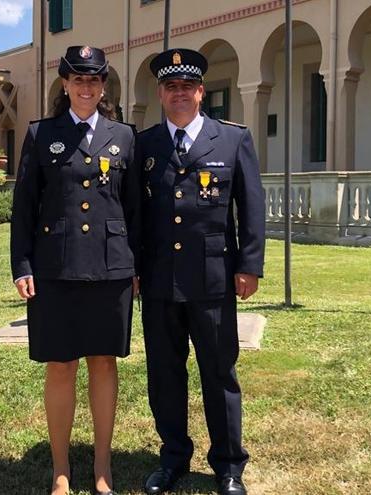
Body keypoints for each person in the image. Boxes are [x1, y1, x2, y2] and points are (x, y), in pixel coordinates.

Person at [10, 45, 141, 495]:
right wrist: (22, 264)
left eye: (94, 80)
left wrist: (137, 265)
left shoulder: (124, 136)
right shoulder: (41, 134)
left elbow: (135, 209)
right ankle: (61, 470)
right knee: (61, 365)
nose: (86, 87)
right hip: (56, 268)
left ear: (103, 86)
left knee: (104, 362)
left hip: (111, 268)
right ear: (64, 84)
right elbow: (24, 207)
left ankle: (102, 468)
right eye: (77, 79)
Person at [136, 48, 265, 495]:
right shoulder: (145, 144)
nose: (179, 94)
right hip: (158, 280)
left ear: (200, 91)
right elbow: (135, 212)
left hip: (213, 279)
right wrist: (134, 268)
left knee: (219, 373)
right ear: (161, 93)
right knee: (165, 375)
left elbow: (251, 207)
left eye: (186, 87)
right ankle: (172, 458)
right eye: (171, 87)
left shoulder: (232, 139)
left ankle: (229, 467)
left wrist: (249, 265)